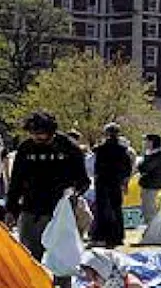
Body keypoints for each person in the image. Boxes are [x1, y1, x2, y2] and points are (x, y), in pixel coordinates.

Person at [5, 111, 90, 288]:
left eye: (42, 136)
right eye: (34, 135)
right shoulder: (26, 148)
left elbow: (83, 181)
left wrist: (73, 193)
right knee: (30, 256)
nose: (37, 139)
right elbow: (16, 182)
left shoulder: (69, 148)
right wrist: (11, 210)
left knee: (61, 258)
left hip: (60, 212)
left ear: (51, 132)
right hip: (31, 210)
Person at [90, 124, 133, 248]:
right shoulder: (123, 150)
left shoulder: (101, 149)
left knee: (102, 209)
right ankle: (117, 236)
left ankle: (101, 235)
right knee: (116, 209)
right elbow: (127, 168)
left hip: (103, 182)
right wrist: (124, 181)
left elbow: (97, 168)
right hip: (115, 182)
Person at [136, 134, 161, 226]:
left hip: (152, 186)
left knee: (150, 211)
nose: (145, 143)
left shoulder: (156, 156)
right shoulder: (153, 154)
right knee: (147, 210)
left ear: (152, 142)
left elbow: (144, 167)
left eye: (147, 141)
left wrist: (143, 161)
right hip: (150, 185)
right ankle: (151, 230)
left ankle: (153, 231)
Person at [79, 248, 143, 288]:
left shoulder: (132, 285)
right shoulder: (96, 285)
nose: (92, 280)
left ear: (103, 271)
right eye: (90, 278)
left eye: (94, 276)